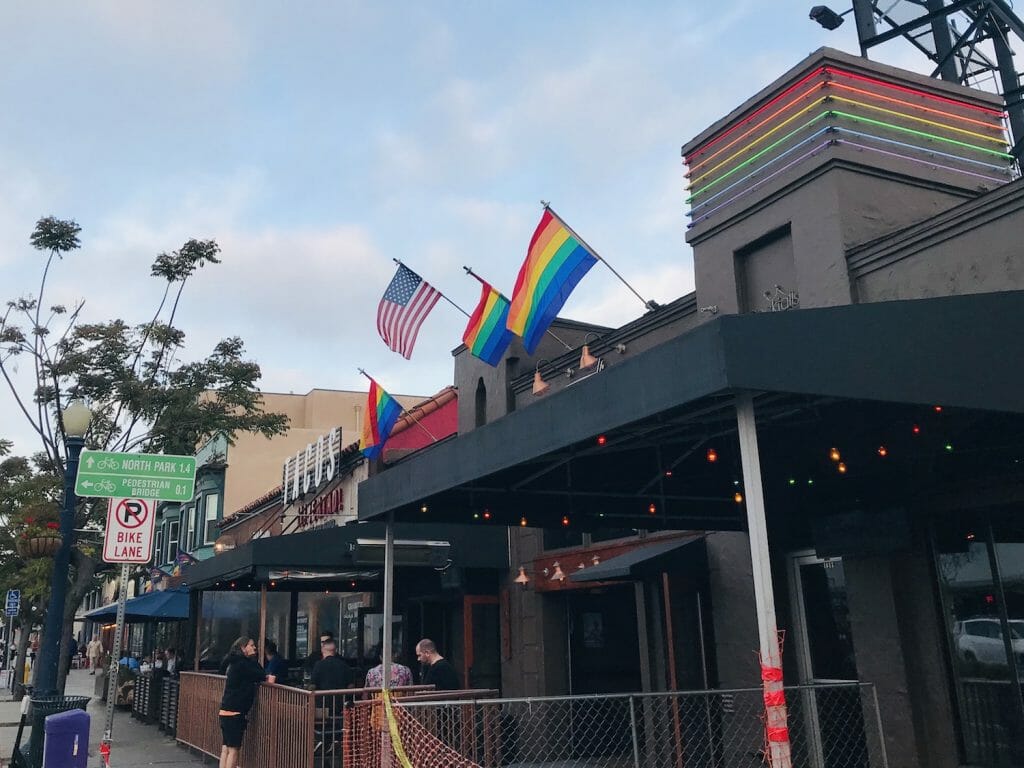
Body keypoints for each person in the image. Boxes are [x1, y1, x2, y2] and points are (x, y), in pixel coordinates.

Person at [217, 636, 264, 768]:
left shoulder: (232, 662)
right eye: (251, 645)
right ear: (243, 647)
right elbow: (261, 673)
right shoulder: (244, 664)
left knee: (225, 748)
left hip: (225, 710)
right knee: (234, 750)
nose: (254, 648)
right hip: (235, 712)